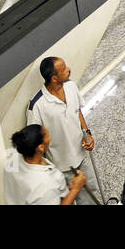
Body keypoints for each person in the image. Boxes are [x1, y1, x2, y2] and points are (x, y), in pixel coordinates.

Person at [26, 56, 100, 204]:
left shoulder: (71, 86)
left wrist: (88, 134)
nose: (69, 70)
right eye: (64, 69)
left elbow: (77, 111)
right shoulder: (37, 106)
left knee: (91, 196)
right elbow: (34, 144)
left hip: (82, 156)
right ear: (54, 78)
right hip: (61, 167)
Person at [4, 124, 86, 205]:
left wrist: (66, 188)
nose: (50, 136)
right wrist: (76, 188)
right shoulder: (44, 184)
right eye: (47, 135)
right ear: (41, 147)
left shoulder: (13, 159)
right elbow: (45, 192)